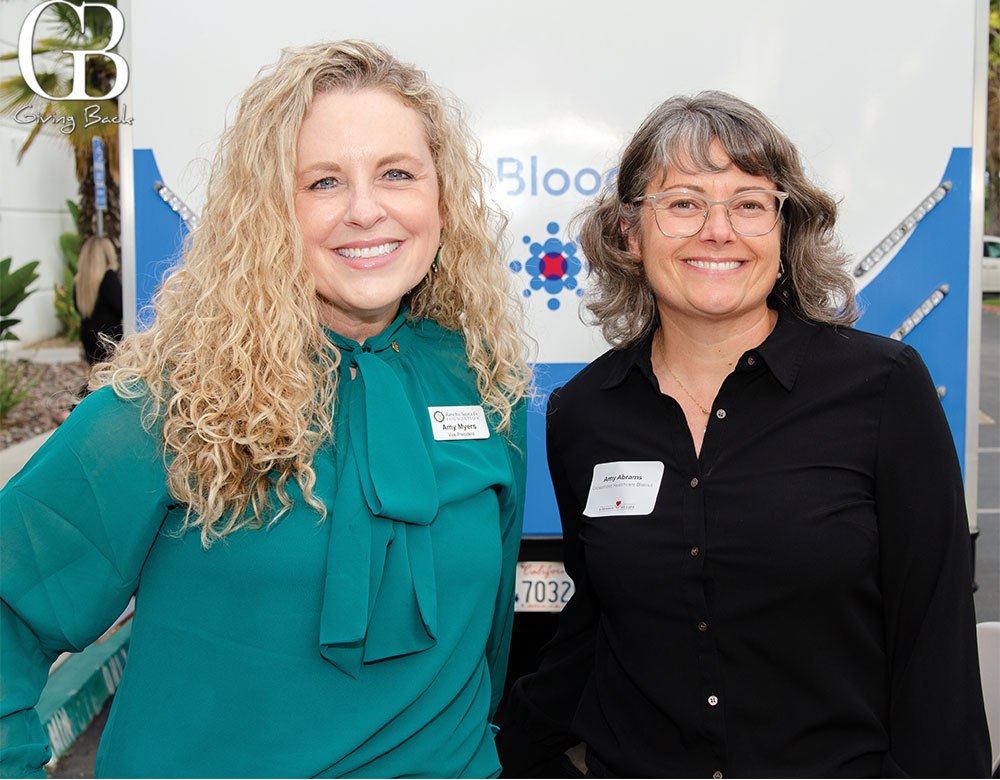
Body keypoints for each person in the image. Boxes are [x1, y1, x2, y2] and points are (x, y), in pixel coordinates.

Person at [1, 40, 530, 778]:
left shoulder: (484, 383)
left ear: (441, 195)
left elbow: (489, 639)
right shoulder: (171, 401)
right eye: (322, 182)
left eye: (398, 174)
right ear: (268, 211)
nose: (366, 210)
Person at [496, 91, 991, 777]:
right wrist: (495, 754)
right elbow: (597, 625)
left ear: (784, 233)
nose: (717, 230)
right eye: (683, 203)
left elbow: (934, 643)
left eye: (749, 203)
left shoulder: (882, 389)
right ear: (630, 236)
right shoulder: (586, 412)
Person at [73, 236, 123, 367]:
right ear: (107, 255)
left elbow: (77, 308)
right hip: (109, 335)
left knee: (96, 374)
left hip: (88, 334)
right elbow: (121, 306)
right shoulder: (108, 277)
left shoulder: (79, 280)